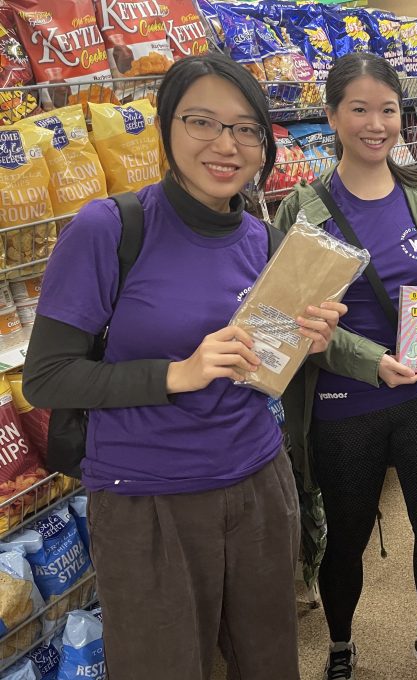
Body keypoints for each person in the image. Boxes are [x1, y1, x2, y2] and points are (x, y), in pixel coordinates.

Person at [21, 53, 345, 680]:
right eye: (203, 122)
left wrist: (308, 341)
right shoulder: (111, 228)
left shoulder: (262, 239)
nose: (227, 145)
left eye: (247, 128)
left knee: (269, 661)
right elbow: (47, 377)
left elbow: (262, 365)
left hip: (258, 482)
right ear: (167, 128)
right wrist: (178, 372)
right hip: (149, 501)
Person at [273, 52, 417, 680]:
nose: (375, 124)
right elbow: (286, 322)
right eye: (358, 109)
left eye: (387, 110)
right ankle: (339, 645)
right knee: (350, 534)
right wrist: (372, 361)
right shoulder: (303, 210)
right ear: (333, 116)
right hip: (342, 406)